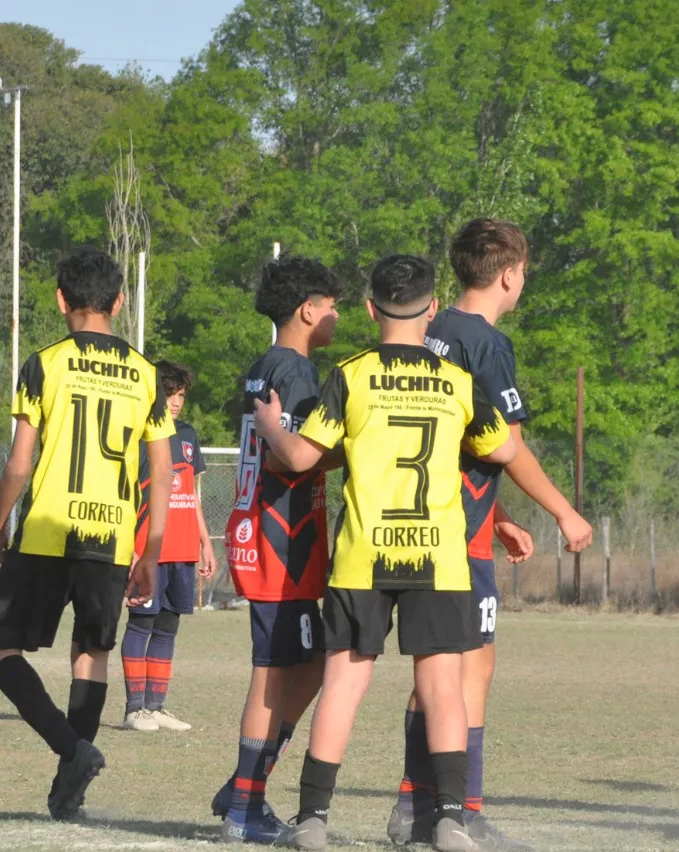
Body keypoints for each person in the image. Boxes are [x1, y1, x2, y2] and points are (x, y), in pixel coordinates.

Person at [258, 254, 517, 851]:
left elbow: (299, 458)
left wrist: (273, 423)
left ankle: (313, 821)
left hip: (363, 555)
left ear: (371, 309)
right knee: (443, 687)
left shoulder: (350, 374)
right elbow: (500, 450)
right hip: (439, 556)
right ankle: (451, 818)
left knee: (344, 684)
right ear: (432, 309)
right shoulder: (457, 382)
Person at [391, 218, 593, 850]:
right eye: (525, 271)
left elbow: (448, 441)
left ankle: (410, 808)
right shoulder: (487, 344)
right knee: (472, 666)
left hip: (418, 520)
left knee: (435, 668)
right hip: (461, 536)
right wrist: (564, 511)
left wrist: (502, 515)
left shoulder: (429, 330)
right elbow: (507, 447)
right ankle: (461, 810)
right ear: (510, 274)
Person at [0, 249, 174, 820]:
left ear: (61, 301)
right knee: (91, 653)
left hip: (44, 530)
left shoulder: (44, 363)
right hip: (110, 536)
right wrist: (151, 551)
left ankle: (72, 751)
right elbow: (160, 469)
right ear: (119, 301)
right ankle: (71, 789)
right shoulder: (145, 374)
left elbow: (20, 462)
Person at [213, 256, 341, 844]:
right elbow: (293, 456)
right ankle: (244, 806)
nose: (337, 315)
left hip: (274, 537)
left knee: (312, 662)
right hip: (278, 543)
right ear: (308, 309)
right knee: (273, 671)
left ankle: (246, 780)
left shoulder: (267, 365)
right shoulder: (293, 371)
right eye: (332, 304)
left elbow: (295, 451)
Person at [120, 360, 215, 732]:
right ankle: (134, 709)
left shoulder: (188, 435)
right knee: (141, 624)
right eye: (169, 394)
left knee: (167, 627)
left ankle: (156, 706)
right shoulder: (139, 434)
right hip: (148, 548)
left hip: (183, 547)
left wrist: (205, 542)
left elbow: (191, 493)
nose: (175, 403)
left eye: (180, 396)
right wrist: (130, 548)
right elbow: (126, 494)